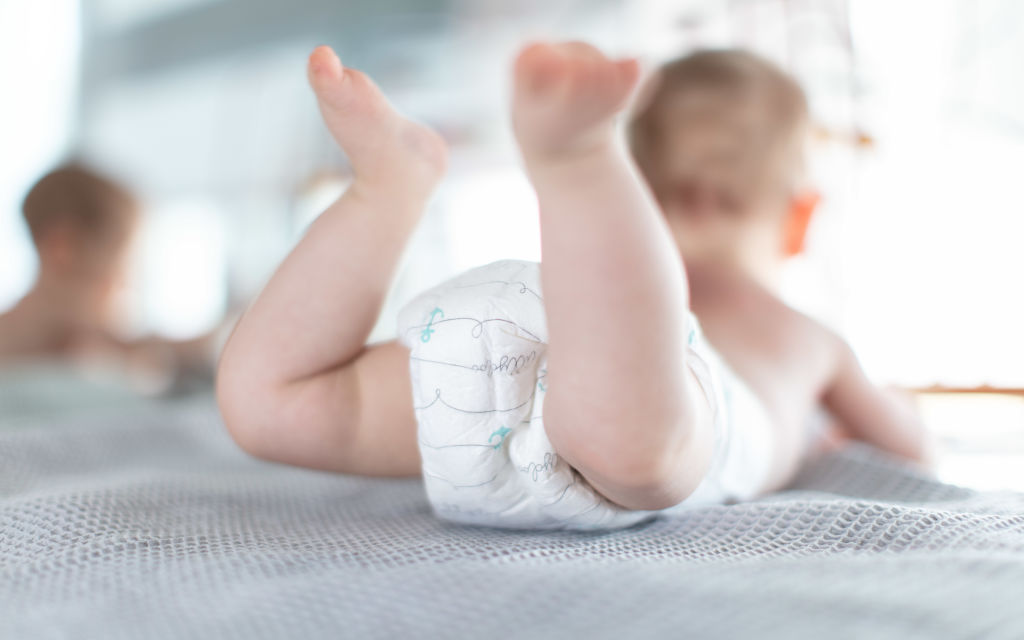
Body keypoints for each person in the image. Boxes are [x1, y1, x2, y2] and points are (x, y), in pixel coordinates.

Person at [216, 42, 932, 530]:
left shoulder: (604, 285)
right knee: (635, 452)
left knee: (272, 403)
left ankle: (387, 191)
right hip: (669, 391)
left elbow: (601, 299)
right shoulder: (807, 337)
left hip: (531, 333)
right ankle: (577, 162)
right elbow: (912, 454)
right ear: (800, 217)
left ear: (638, 201)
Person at [0, 164, 215, 388]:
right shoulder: (40, 343)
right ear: (62, 249)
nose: (125, 285)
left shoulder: (88, 348)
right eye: (120, 266)